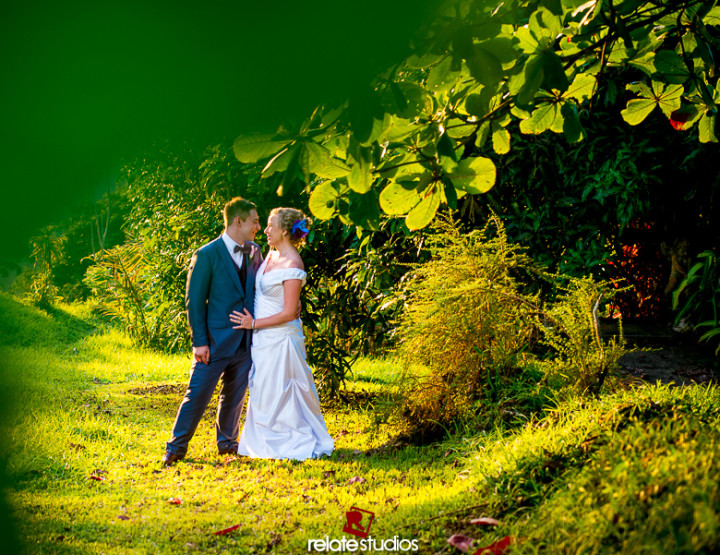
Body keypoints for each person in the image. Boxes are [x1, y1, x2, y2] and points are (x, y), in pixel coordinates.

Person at [161, 197, 262, 466]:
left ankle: (227, 442)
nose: (258, 227)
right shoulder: (206, 254)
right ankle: (176, 447)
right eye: (254, 221)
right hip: (214, 342)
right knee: (198, 394)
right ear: (238, 221)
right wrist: (200, 342)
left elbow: (259, 289)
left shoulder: (255, 251)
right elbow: (194, 301)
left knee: (235, 395)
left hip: (245, 341)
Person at [229, 207, 334, 460]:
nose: (265, 230)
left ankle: (290, 442)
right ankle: (263, 439)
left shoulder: (293, 263)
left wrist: (252, 324)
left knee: (283, 391)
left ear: (285, 231)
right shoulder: (270, 255)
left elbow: (289, 313)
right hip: (263, 339)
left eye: (270, 225)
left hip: (282, 338)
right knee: (263, 390)